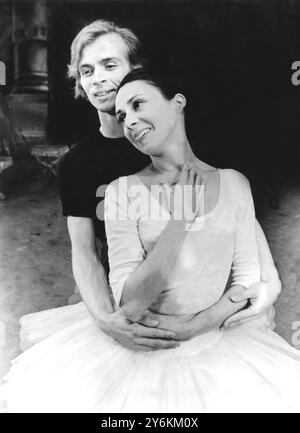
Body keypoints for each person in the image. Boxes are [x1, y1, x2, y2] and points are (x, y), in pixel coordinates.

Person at [0, 67, 299, 412]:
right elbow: (131, 303)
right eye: (122, 115)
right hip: (138, 357)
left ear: (177, 103)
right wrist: (181, 221)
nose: (129, 122)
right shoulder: (121, 191)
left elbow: (247, 277)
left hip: (215, 345)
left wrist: (194, 327)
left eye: (139, 105)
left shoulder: (234, 183)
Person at [58, 19, 280, 351]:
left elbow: (240, 224)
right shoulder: (78, 164)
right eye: (86, 71)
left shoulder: (188, 140)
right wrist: (108, 320)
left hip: (208, 305)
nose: (98, 78)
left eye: (109, 65)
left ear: (136, 68)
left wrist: (269, 282)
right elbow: (85, 254)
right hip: (133, 297)